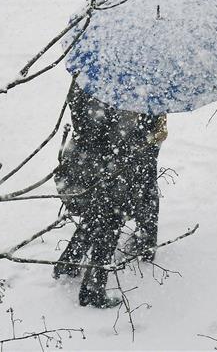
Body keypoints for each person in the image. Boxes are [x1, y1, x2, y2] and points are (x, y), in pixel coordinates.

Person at [53, 82, 167, 308]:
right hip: (116, 159)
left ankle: (69, 261)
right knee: (112, 214)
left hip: (87, 156)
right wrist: (151, 130)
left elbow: (79, 108)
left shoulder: (93, 71)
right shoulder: (134, 82)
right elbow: (127, 129)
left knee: (100, 208)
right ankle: (93, 287)